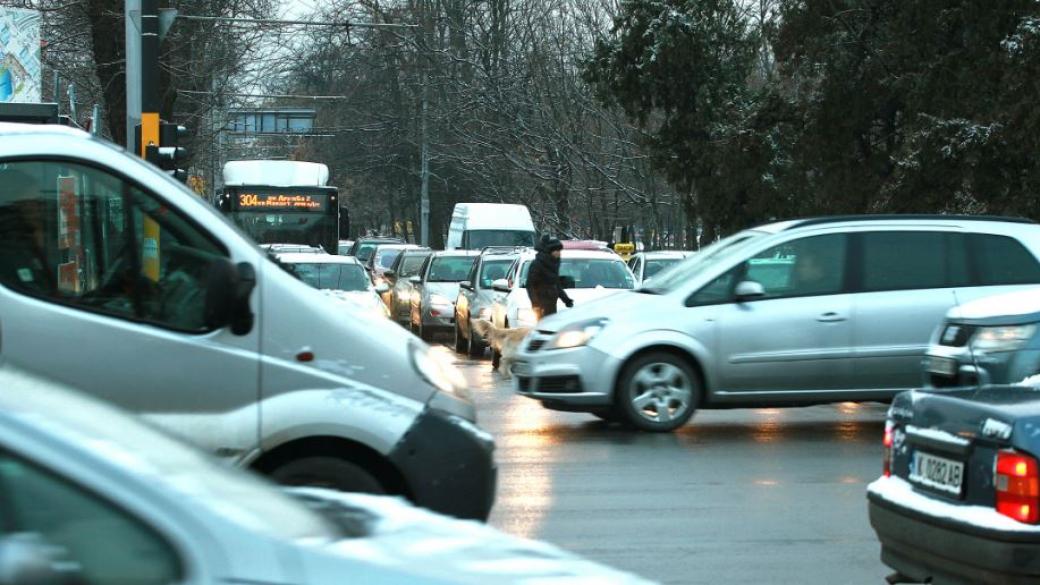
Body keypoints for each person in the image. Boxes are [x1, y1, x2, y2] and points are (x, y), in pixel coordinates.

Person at [0, 169, 52, 294]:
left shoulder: (26, 242)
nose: (40, 208)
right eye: (34, 202)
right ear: (16, 207)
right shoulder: (9, 249)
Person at [526, 236, 573, 321]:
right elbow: (530, 285)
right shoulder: (537, 264)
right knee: (543, 328)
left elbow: (556, 284)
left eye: (560, 251)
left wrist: (566, 300)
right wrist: (535, 304)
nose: (559, 253)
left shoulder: (553, 264)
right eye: (557, 251)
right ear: (550, 251)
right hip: (541, 304)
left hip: (551, 303)